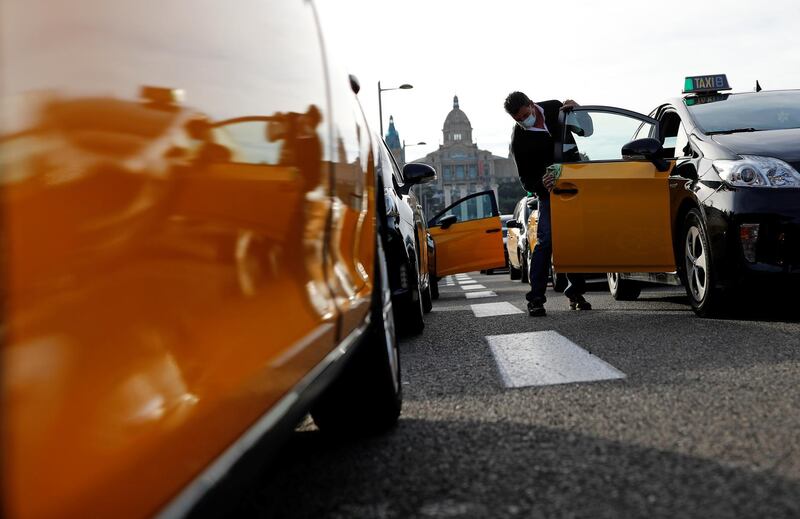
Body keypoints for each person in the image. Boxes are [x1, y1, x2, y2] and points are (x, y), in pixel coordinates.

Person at [504, 91, 592, 316]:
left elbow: (586, 131)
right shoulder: (520, 139)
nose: (524, 121)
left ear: (532, 105)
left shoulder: (555, 107)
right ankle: (536, 299)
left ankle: (575, 292)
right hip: (549, 192)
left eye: (525, 115)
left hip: (575, 183)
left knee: (575, 238)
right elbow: (526, 180)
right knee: (546, 241)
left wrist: (579, 110)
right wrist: (541, 184)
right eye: (518, 119)